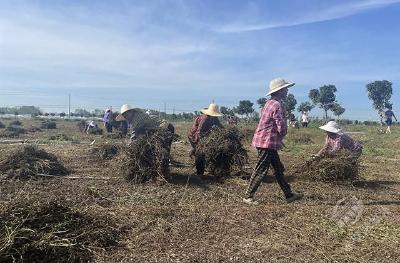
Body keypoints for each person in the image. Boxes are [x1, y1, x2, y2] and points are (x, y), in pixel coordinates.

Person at [243, 78, 303, 205]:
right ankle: (248, 196)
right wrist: (282, 135)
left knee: (278, 168)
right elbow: (281, 125)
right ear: (280, 90)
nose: (287, 91)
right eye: (285, 89)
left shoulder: (269, 103)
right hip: (267, 142)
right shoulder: (277, 104)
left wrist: (279, 139)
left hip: (266, 141)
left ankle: (289, 194)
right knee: (261, 169)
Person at [188, 103, 223, 177]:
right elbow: (199, 132)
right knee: (200, 154)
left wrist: (225, 132)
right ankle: (199, 173)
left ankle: (195, 153)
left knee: (203, 153)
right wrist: (201, 144)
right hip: (194, 136)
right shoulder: (205, 119)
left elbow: (220, 127)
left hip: (204, 137)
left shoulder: (215, 118)